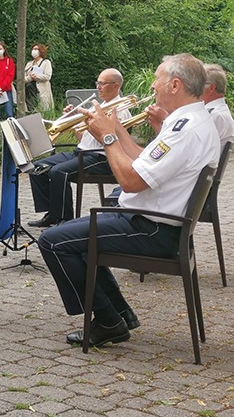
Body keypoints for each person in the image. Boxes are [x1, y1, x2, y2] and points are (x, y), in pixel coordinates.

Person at [38, 54, 219, 348]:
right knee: (73, 236)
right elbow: (140, 159)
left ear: (175, 85)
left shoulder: (185, 129)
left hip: (153, 229)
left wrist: (107, 138)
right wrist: (115, 126)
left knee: (53, 241)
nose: (152, 85)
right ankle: (119, 315)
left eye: (157, 79)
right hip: (153, 221)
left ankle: (109, 322)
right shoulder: (189, 122)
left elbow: (130, 180)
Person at [28, 68, 131, 227]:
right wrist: (74, 122)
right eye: (98, 83)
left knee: (58, 172)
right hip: (82, 152)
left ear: (116, 86)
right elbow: (85, 140)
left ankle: (65, 219)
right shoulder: (100, 106)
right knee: (37, 168)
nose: (98, 87)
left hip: (102, 158)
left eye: (102, 84)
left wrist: (90, 125)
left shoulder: (120, 111)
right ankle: (52, 213)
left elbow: (111, 142)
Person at [147, 63, 233, 145]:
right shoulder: (217, 112)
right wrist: (158, 125)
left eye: (199, 86)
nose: (194, 90)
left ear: (211, 88)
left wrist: (165, 119)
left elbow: (183, 147)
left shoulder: (215, 115)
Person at [24, 43, 54, 111]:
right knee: (30, 109)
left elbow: (48, 76)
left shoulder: (46, 62)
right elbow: (23, 79)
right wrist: (30, 77)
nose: (34, 51)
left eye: (36, 49)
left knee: (42, 109)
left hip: (41, 90)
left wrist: (36, 76)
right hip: (29, 90)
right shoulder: (29, 64)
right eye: (33, 49)